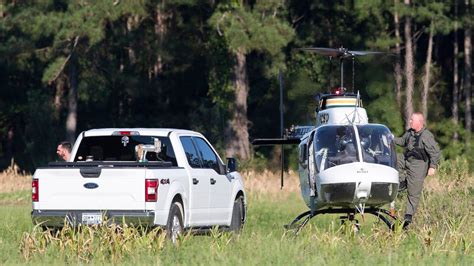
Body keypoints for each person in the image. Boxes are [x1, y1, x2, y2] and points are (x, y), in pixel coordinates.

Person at [394, 112, 440, 229]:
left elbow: (435, 152)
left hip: (419, 165)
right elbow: (402, 142)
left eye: (412, 120)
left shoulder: (426, 136)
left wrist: (432, 167)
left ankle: (408, 217)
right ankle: (402, 182)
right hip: (407, 159)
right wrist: (391, 138)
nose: (410, 122)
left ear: (419, 122)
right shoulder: (410, 133)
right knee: (396, 160)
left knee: (413, 192)